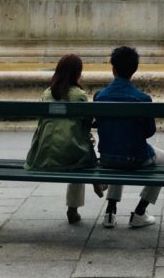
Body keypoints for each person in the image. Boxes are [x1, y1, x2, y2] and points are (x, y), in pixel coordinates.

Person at [94, 45, 164, 229]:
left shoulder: (100, 96)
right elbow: (149, 132)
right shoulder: (142, 99)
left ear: (113, 68)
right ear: (134, 70)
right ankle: (140, 212)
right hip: (135, 158)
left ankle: (110, 212)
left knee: (117, 148)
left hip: (107, 158)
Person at [24, 53, 105, 223]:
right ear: (78, 73)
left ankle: (85, 196)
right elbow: (88, 123)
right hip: (70, 156)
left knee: (77, 146)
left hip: (41, 156)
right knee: (79, 153)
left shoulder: (46, 94)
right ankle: (89, 191)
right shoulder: (79, 95)